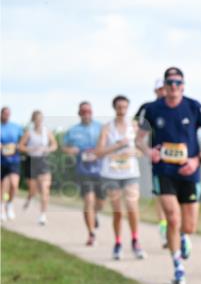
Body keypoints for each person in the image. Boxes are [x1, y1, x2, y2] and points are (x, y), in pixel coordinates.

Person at [136, 67, 201, 284]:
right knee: (173, 218)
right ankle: (178, 266)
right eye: (170, 83)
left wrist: (197, 160)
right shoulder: (153, 109)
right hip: (164, 172)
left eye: (177, 83)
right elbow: (139, 139)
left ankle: (184, 238)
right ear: (164, 86)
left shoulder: (193, 107)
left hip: (189, 173)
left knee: (189, 225)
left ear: (183, 86)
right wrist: (149, 152)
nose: (173, 87)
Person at [95, 95, 145, 260]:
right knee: (117, 211)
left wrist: (133, 152)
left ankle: (135, 240)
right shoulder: (107, 128)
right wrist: (118, 146)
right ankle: (117, 243)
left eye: (124, 107)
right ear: (114, 108)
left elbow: (142, 150)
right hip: (111, 174)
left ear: (128, 108)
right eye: (119, 107)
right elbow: (99, 152)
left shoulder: (135, 127)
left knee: (132, 206)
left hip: (130, 173)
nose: (122, 110)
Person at [62, 101, 106, 245]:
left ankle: (95, 214)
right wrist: (71, 150)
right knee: (88, 201)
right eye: (84, 111)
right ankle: (91, 233)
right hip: (83, 170)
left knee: (100, 203)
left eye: (89, 111)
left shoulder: (101, 127)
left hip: (101, 170)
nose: (86, 114)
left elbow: (109, 144)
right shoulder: (73, 130)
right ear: (79, 113)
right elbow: (64, 147)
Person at [136, 79, 169, 247]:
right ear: (155, 90)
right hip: (158, 157)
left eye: (166, 88)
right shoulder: (148, 108)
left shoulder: (179, 105)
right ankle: (164, 227)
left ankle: (175, 228)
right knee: (160, 194)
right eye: (160, 89)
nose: (164, 91)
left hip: (177, 158)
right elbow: (137, 128)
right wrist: (144, 150)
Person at [17, 110, 57, 225]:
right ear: (33, 120)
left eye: (40, 119)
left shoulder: (47, 132)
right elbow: (20, 146)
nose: (39, 121)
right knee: (33, 190)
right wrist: (30, 149)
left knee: (45, 189)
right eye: (36, 119)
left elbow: (54, 144)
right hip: (31, 161)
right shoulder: (29, 133)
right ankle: (29, 198)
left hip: (43, 161)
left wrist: (48, 149)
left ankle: (43, 215)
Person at [1, 107, 24, 221]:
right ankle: (2, 206)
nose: (6, 116)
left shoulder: (16, 127)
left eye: (8, 114)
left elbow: (23, 140)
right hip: (2, 161)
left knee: (14, 185)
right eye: (5, 114)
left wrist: (19, 145)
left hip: (14, 160)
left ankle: (9, 204)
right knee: (3, 187)